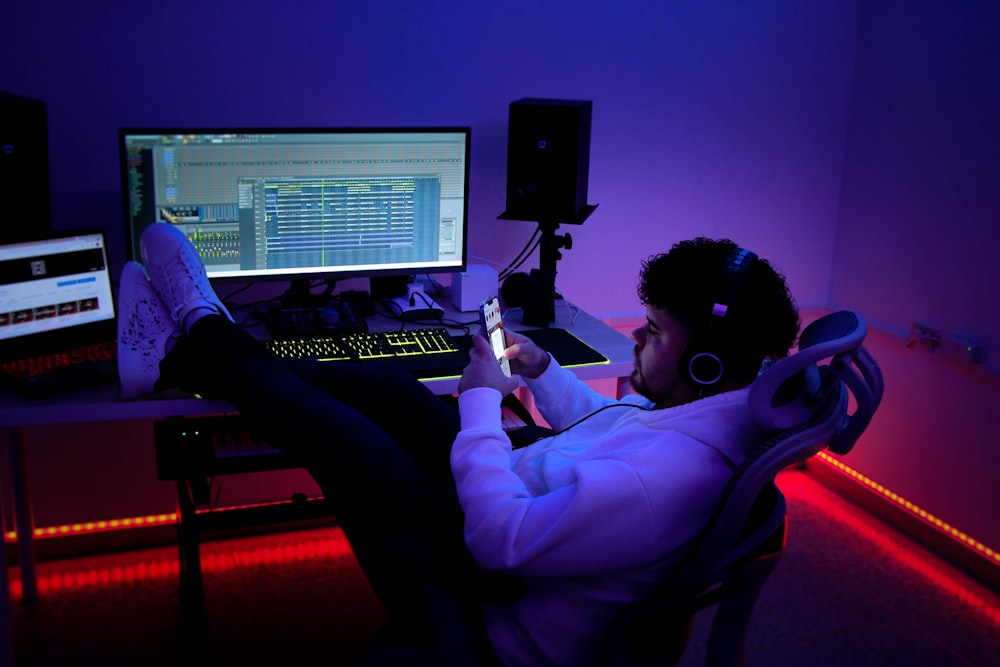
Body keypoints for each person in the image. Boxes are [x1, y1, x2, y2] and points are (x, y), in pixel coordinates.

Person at [117, 223, 799, 667]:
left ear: (708, 360)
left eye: (654, 330)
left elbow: (500, 540)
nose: (639, 340)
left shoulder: (671, 478)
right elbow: (617, 430)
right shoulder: (710, 413)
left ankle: (199, 325)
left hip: (483, 586)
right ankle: (195, 345)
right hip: (516, 487)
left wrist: (479, 399)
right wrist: (541, 372)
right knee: (386, 382)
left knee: (319, 423)